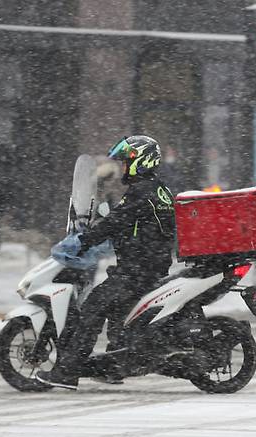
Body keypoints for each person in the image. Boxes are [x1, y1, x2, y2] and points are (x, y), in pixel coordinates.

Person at [37, 135, 176, 390]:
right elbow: (132, 226)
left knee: (92, 309)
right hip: (145, 266)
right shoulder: (158, 189)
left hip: (138, 270)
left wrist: (84, 241)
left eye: (125, 162)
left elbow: (116, 221)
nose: (122, 168)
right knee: (118, 315)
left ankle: (66, 372)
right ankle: (114, 367)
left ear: (140, 162)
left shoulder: (141, 193)